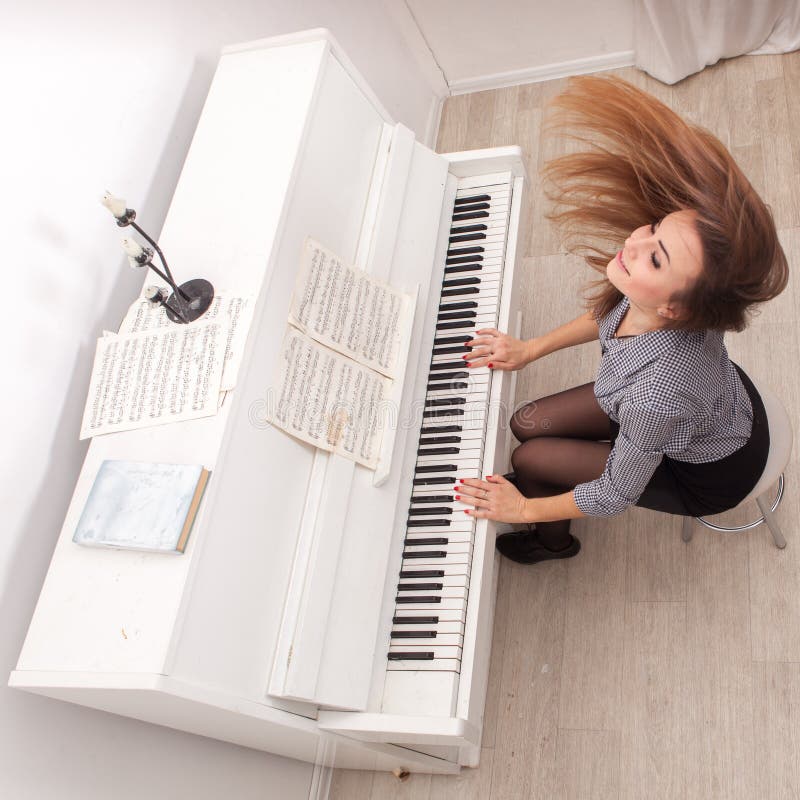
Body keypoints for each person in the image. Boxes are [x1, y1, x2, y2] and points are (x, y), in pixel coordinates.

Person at [455, 75, 789, 564]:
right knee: (525, 422)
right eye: (654, 228)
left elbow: (615, 495)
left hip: (710, 469)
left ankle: (553, 542)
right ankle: (596, 458)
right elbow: (607, 315)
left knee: (527, 459)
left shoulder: (655, 396)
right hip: (711, 406)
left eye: (656, 258)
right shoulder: (665, 303)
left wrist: (524, 508)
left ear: (675, 309)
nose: (634, 243)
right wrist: (528, 349)